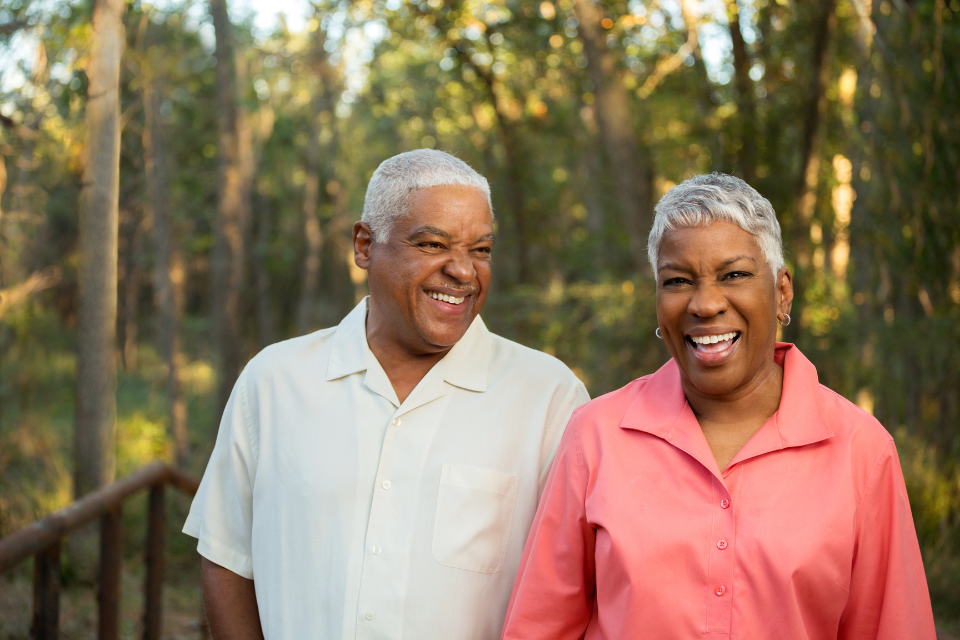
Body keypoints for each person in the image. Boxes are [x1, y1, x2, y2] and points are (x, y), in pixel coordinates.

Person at [501, 173, 936, 640]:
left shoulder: (861, 451)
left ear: (782, 292)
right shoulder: (594, 435)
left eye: (734, 275)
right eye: (677, 280)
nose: (705, 304)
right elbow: (539, 628)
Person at [184, 149, 589, 639]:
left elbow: (574, 590)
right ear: (364, 246)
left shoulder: (549, 399)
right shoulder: (273, 382)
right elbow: (227, 556)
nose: (464, 271)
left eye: (481, 250)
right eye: (433, 244)